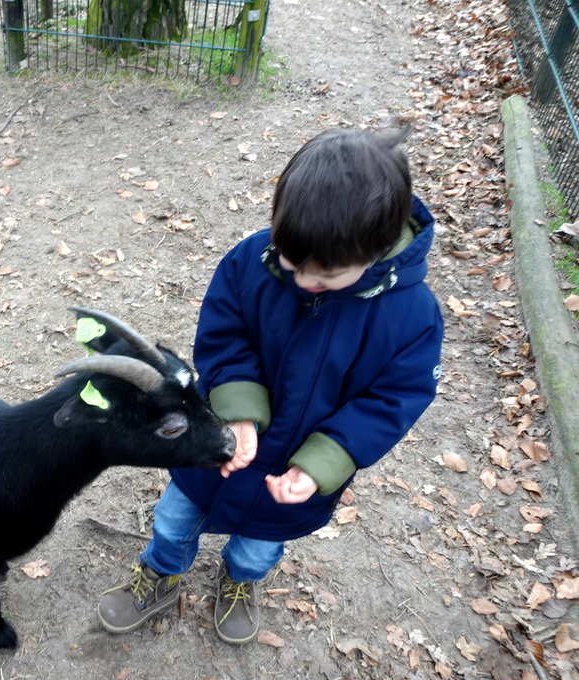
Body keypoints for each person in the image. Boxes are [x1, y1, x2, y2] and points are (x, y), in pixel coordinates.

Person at [97, 127, 444, 645]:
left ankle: (238, 583)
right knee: (174, 516)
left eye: (325, 276)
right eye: (292, 262)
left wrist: (323, 463)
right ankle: (162, 571)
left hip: (292, 472)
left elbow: (393, 400)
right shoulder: (251, 261)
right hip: (216, 446)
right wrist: (237, 407)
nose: (304, 281)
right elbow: (223, 332)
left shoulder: (413, 317)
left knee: (258, 546)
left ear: (372, 254)